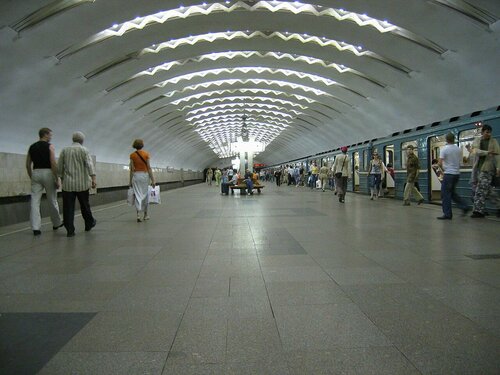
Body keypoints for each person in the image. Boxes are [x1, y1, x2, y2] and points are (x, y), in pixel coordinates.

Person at [57, 131, 96, 237]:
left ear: (73, 139)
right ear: (82, 140)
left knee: (68, 208)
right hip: (82, 184)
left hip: (68, 185)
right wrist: (93, 178)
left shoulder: (65, 150)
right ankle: (89, 223)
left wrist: (60, 178)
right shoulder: (84, 150)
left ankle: (70, 230)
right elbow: (89, 164)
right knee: (85, 205)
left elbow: (59, 166)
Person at [26, 127, 63, 236]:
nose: (51, 137)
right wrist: (57, 178)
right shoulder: (49, 146)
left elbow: (28, 164)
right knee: (52, 199)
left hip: (36, 172)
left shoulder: (31, 147)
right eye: (50, 135)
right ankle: (56, 223)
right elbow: (53, 162)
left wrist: (31, 176)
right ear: (45, 134)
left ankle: (35, 228)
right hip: (47, 172)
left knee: (34, 201)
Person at [470, 124, 500, 218]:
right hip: (478, 169)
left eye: (490, 132)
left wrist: (498, 168)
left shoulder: (494, 142)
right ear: (482, 132)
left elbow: (498, 156)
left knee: (480, 190)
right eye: (487, 132)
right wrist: (487, 152)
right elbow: (475, 151)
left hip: (488, 169)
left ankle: (478, 211)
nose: (489, 134)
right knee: (489, 191)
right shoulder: (477, 141)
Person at [437, 133, 469, 220]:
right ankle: (464, 206)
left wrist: (443, 171)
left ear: (446, 140)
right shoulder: (458, 149)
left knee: (445, 194)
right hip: (456, 174)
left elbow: (440, 163)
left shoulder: (444, 149)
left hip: (448, 174)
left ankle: (447, 214)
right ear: (454, 139)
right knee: (452, 193)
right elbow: (460, 162)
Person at [129, 139, 156, 222]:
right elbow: (149, 167)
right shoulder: (146, 154)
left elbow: (131, 169)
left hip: (136, 176)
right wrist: (153, 180)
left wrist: (130, 181)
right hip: (144, 176)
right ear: (142, 145)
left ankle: (138, 215)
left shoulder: (132, 155)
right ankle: (145, 215)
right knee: (145, 195)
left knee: (137, 195)